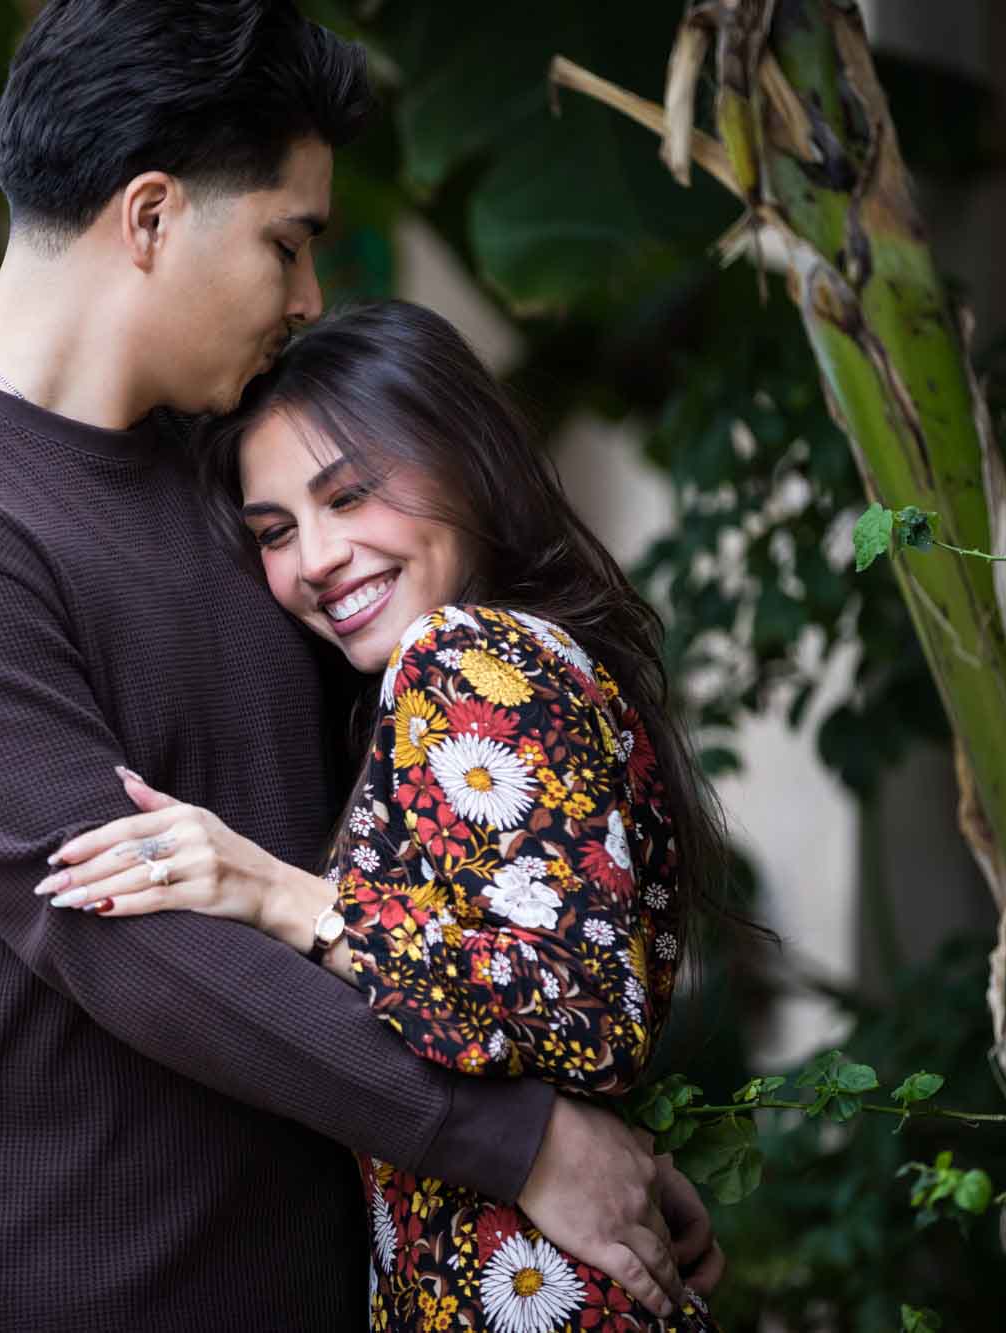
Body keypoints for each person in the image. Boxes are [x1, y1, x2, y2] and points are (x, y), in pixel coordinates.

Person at [0, 2, 718, 1328]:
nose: (306, 299)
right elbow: (143, 949)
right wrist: (529, 1147)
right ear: (153, 217)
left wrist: (563, 1158)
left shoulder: (245, 486)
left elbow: (430, 846)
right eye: (288, 240)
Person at [40, 300, 732, 1331]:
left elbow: (578, 1014)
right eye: (274, 532)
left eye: (348, 494)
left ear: (460, 458)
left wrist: (277, 893)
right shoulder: (503, 666)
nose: (313, 557)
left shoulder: (460, 656)